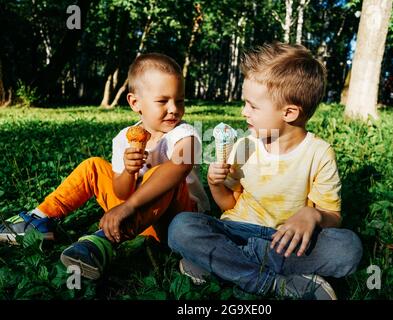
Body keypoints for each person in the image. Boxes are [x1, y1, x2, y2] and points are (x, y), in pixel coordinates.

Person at [168, 42, 363, 300]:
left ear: (290, 113)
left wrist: (313, 215)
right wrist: (215, 185)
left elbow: (333, 216)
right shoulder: (244, 145)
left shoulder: (319, 154)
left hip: (286, 243)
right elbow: (229, 204)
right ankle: (275, 284)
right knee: (182, 226)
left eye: (253, 106)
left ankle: (219, 265)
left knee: (348, 248)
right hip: (237, 232)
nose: (243, 112)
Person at [0, 53, 210, 280]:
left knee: (162, 174)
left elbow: (180, 167)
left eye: (180, 100)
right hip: (137, 219)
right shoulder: (125, 139)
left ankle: (102, 242)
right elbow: (120, 191)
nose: (174, 109)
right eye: (163, 101)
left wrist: (129, 206)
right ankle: (38, 219)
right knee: (94, 166)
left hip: (177, 222)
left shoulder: (185, 134)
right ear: (134, 103)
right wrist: (129, 172)